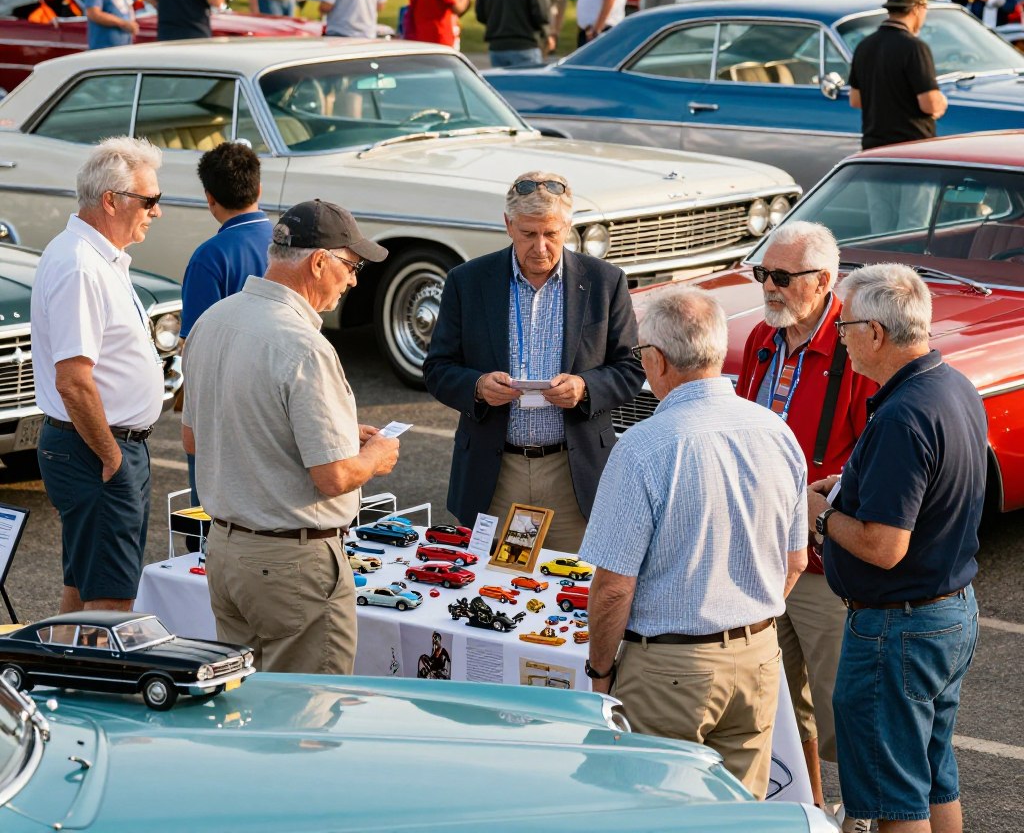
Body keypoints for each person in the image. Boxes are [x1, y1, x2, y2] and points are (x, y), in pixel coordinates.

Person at [580, 288, 807, 799]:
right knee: (738, 814)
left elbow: (613, 587)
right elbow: (794, 561)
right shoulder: (777, 432)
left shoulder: (644, 445)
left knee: (653, 812)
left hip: (669, 668)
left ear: (656, 360)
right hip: (758, 655)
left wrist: (599, 669)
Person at [181, 199, 400, 673]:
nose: (355, 279)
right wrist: (375, 458)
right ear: (319, 262)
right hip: (291, 562)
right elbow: (335, 475)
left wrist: (334, 435)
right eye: (352, 265)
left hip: (226, 551)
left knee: (248, 712)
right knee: (307, 723)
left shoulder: (211, 322)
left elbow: (196, 440)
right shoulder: (303, 345)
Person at [808, 263, 986, 833]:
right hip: (947, 614)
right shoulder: (951, 386)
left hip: (897, 629)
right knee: (933, 776)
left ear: (876, 334)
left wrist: (824, 514)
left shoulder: (902, 415)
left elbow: (884, 546)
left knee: (892, 799)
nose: (840, 338)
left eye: (844, 326)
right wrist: (848, 489)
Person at [423, 172, 644, 554]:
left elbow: (630, 369)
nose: (540, 247)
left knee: (570, 592)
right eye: (528, 234)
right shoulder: (467, 281)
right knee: (493, 589)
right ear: (508, 225)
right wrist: (476, 387)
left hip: (573, 474)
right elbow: (438, 368)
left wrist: (585, 388)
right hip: (497, 473)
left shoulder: (605, 283)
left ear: (568, 227)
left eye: (551, 234)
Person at [737, 222, 877, 816]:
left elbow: (872, 460)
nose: (768, 287)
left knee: (841, 703)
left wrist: (821, 511)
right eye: (763, 274)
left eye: (781, 277)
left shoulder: (857, 350)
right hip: (759, 550)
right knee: (781, 707)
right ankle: (812, 812)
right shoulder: (761, 341)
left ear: (824, 281)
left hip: (821, 562)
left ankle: (869, 813)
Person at [32, 138, 165, 613]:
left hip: (100, 447)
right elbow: (73, 378)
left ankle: (54, 680)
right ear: (112, 200)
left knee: (84, 588)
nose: (157, 211)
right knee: (110, 602)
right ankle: (83, 684)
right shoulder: (81, 265)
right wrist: (111, 457)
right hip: (98, 449)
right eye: (149, 200)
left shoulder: (92, 255)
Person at [179, 141, 274, 507]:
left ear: (209, 197)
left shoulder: (210, 256)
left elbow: (194, 345)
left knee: (210, 515)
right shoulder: (287, 245)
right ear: (258, 188)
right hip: (275, 400)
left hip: (223, 409)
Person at [848, 0, 947, 149]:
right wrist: (942, 101)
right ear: (918, 8)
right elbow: (929, 104)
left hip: (874, 148)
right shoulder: (915, 47)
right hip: (911, 148)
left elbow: (856, 100)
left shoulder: (864, 45)